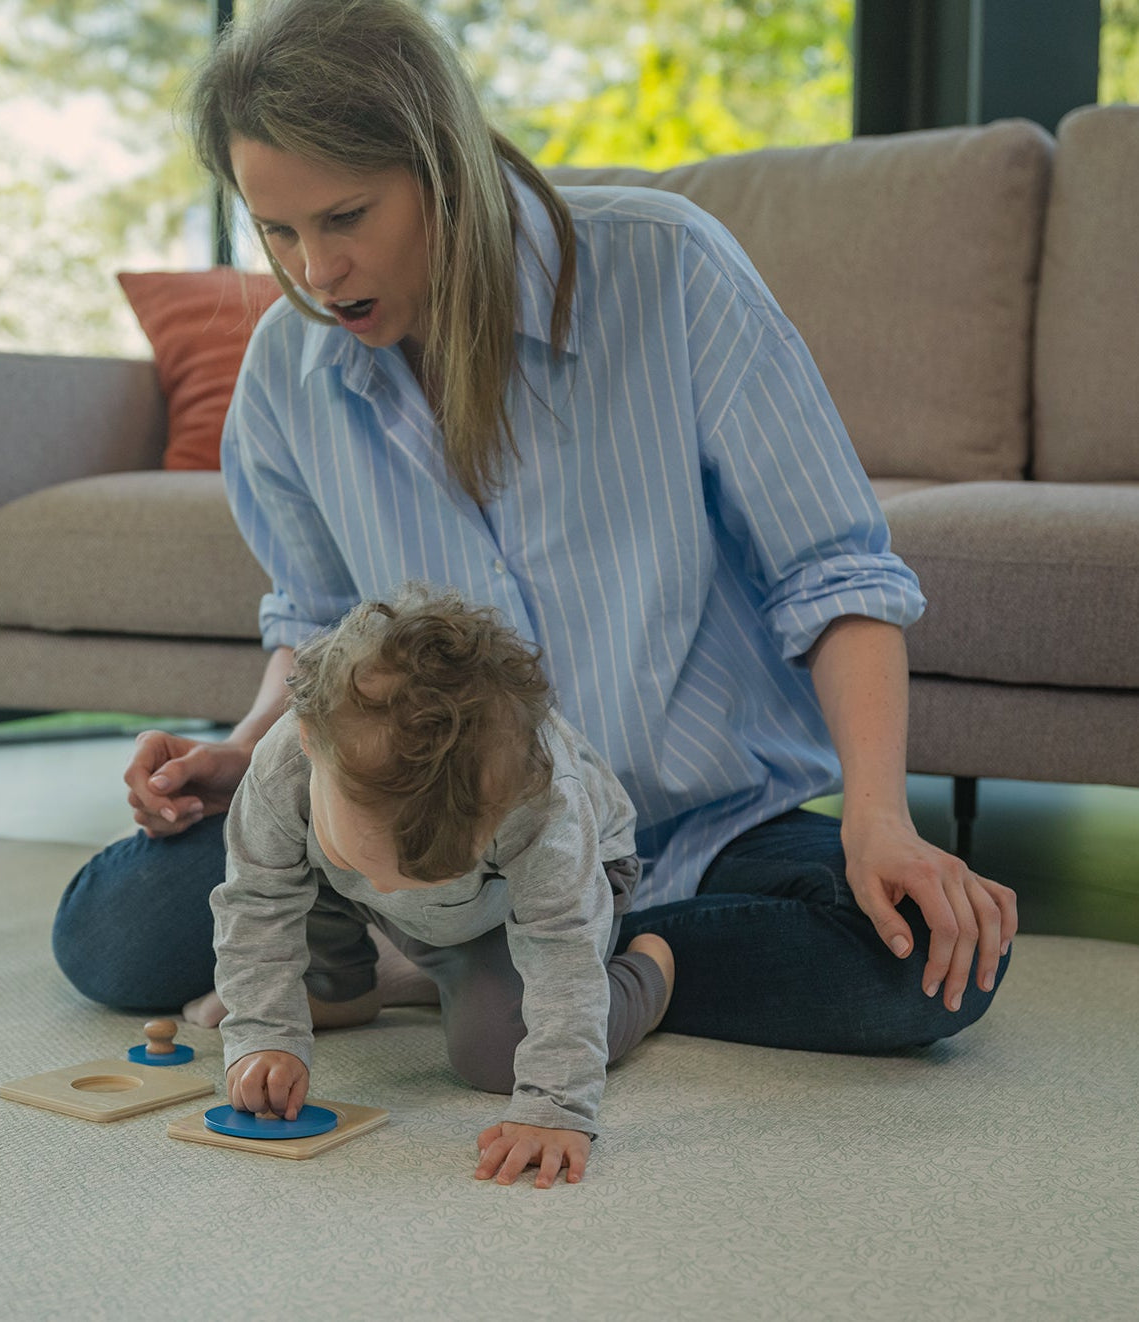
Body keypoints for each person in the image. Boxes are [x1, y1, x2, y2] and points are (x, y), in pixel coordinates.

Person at [53, 0, 1017, 1063]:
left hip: (693, 831)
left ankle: (531, 962)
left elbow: (833, 574)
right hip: (423, 837)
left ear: (444, 168)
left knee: (919, 964)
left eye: (345, 217)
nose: (314, 274)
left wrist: (875, 817)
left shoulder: (669, 272)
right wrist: (247, 750)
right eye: (276, 230)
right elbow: (320, 623)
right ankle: (502, 961)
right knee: (110, 932)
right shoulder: (288, 371)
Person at [215, 585, 673, 1187]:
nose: (386, 885)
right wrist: (263, 1032)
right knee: (295, 871)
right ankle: (344, 985)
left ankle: (650, 971)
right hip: (434, 907)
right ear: (308, 741)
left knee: (493, 1053)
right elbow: (257, 902)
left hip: (550, 900)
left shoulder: (539, 800)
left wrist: (556, 1107)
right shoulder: (284, 765)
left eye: (432, 868)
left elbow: (560, 944)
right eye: (366, 859)